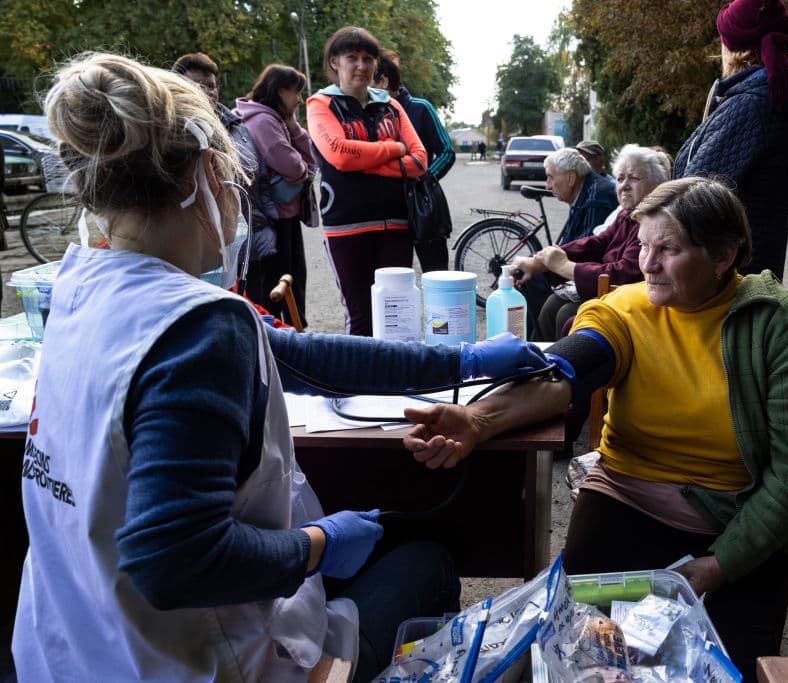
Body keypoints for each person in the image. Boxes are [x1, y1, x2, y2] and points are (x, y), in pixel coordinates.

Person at [16, 52, 549, 683]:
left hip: (68, 649)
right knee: (427, 563)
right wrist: (314, 546)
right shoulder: (196, 325)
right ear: (209, 175)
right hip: (192, 663)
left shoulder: (79, 287)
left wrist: (460, 358)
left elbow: (301, 355)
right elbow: (173, 561)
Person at [403, 178, 788, 682]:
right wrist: (477, 420)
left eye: (669, 249)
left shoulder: (782, 326)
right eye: (643, 245)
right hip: (627, 497)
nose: (646, 264)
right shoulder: (626, 309)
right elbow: (566, 376)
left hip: (740, 518)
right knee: (579, 654)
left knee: (724, 668)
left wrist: (717, 567)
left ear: (724, 255)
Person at [672, 0, 788, 282]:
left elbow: (690, 198)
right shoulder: (778, 98)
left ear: (733, 49)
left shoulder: (751, 106)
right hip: (757, 265)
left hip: (723, 277)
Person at [308, 26, 428, 336]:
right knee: (360, 317)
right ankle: (362, 385)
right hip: (347, 226)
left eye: (368, 58)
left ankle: (401, 383)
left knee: (398, 315)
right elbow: (340, 154)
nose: (361, 66)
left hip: (397, 224)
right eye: (352, 58)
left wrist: (366, 163)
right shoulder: (321, 104)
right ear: (335, 62)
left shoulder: (391, 105)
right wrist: (393, 149)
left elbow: (419, 160)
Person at [512, 144, 666, 341]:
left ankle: (564, 368)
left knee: (566, 313)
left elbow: (624, 273)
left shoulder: (653, 221)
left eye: (634, 178)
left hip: (629, 300)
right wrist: (541, 261)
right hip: (607, 291)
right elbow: (596, 243)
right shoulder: (627, 214)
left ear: (656, 184)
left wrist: (566, 266)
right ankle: (538, 366)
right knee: (552, 305)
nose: (624, 185)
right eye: (620, 179)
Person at [172, 53, 276, 298]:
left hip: (254, 240)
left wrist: (268, 225)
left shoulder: (236, 126)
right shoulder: (173, 137)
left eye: (212, 86)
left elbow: (258, 177)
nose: (209, 92)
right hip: (207, 253)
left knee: (264, 313)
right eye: (199, 86)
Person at [235, 64, 317, 327]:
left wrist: (293, 125)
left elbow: (310, 158)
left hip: (283, 216)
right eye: (296, 92)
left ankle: (296, 336)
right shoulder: (263, 121)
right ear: (281, 91)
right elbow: (296, 167)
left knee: (290, 286)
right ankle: (292, 347)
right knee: (282, 289)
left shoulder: (274, 118)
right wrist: (304, 170)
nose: (299, 99)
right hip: (275, 220)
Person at [517, 147, 616, 338]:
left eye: (551, 177)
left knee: (532, 282)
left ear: (571, 178)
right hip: (588, 271)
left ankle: (535, 349)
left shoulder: (596, 197)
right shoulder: (585, 190)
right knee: (532, 277)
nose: (547, 185)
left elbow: (589, 250)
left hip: (595, 277)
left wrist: (543, 263)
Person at [373, 50, 455, 272]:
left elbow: (447, 152)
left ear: (383, 80)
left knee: (435, 275)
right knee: (394, 279)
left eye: (371, 79)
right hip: (387, 210)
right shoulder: (370, 112)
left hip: (423, 207)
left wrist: (423, 181)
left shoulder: (420, 108)